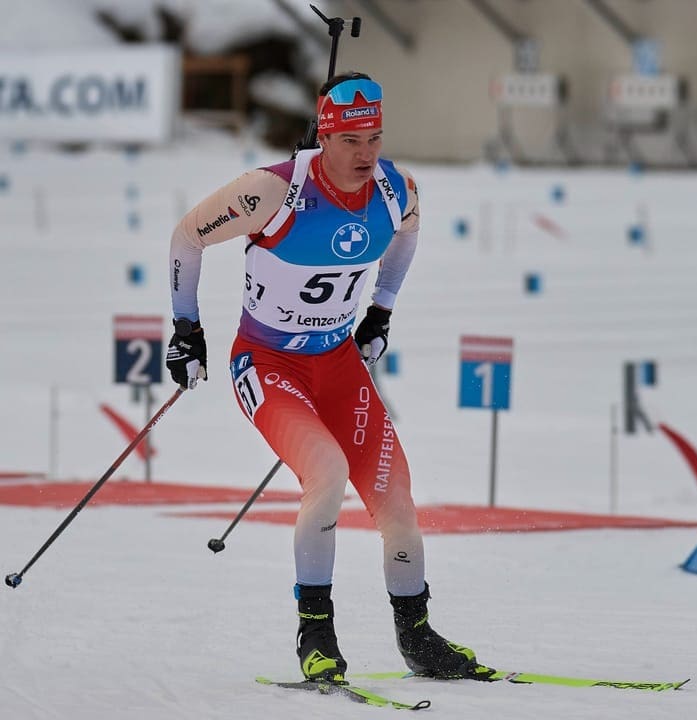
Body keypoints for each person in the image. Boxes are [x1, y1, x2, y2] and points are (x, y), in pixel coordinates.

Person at [165, 72, 494, 683]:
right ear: (324, 134)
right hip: (267, 363)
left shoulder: (397, 190)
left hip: (339, 364)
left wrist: (381, 310)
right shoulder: (272, 191)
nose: (366, 153)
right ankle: (315, 633)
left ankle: (417, 636)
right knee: (327, 471)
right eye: (351, 140)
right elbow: (188, 237)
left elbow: (407, 237)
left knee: (397, 498)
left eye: (374, 137)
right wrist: (187, 327)